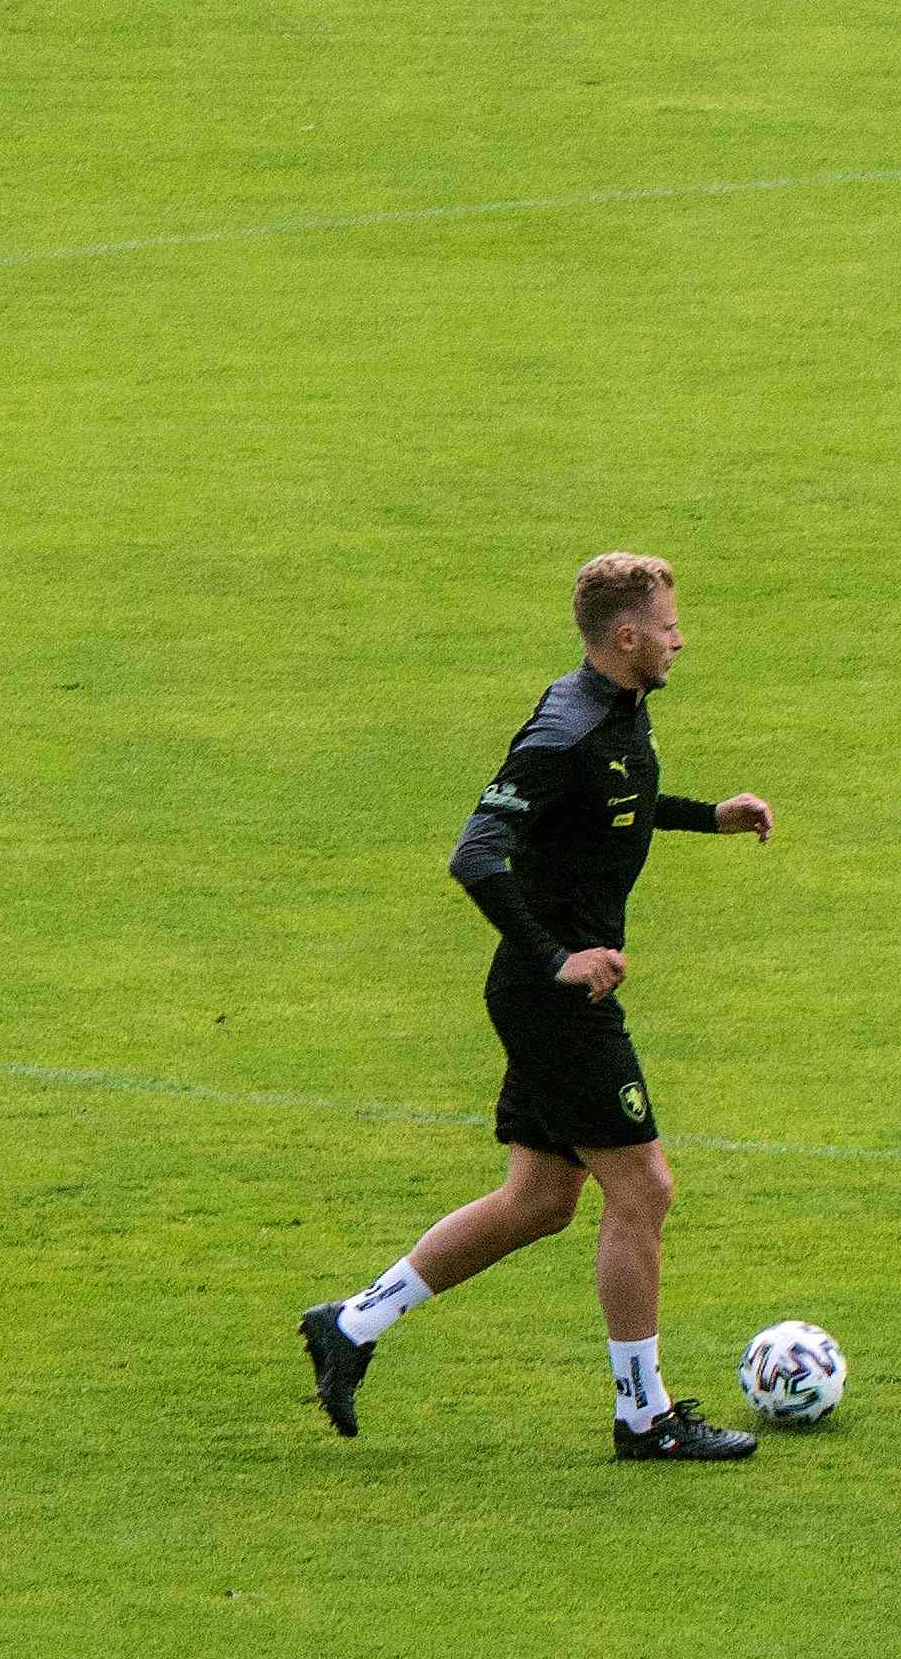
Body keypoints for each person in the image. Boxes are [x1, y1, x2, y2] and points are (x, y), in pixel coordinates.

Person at [298, 554, 782, 1458]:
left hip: (548, 991)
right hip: (553, 995)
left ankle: (352, 1325)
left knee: (540, 1199)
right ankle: (643, 1416)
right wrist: (557, 959)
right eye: (670, 626)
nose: (682, 639)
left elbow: (614, 809)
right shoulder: (563, 727)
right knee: (644, 1187)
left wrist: (706, 815)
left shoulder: (621, 712)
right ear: (627, 637)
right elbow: (476, 855)